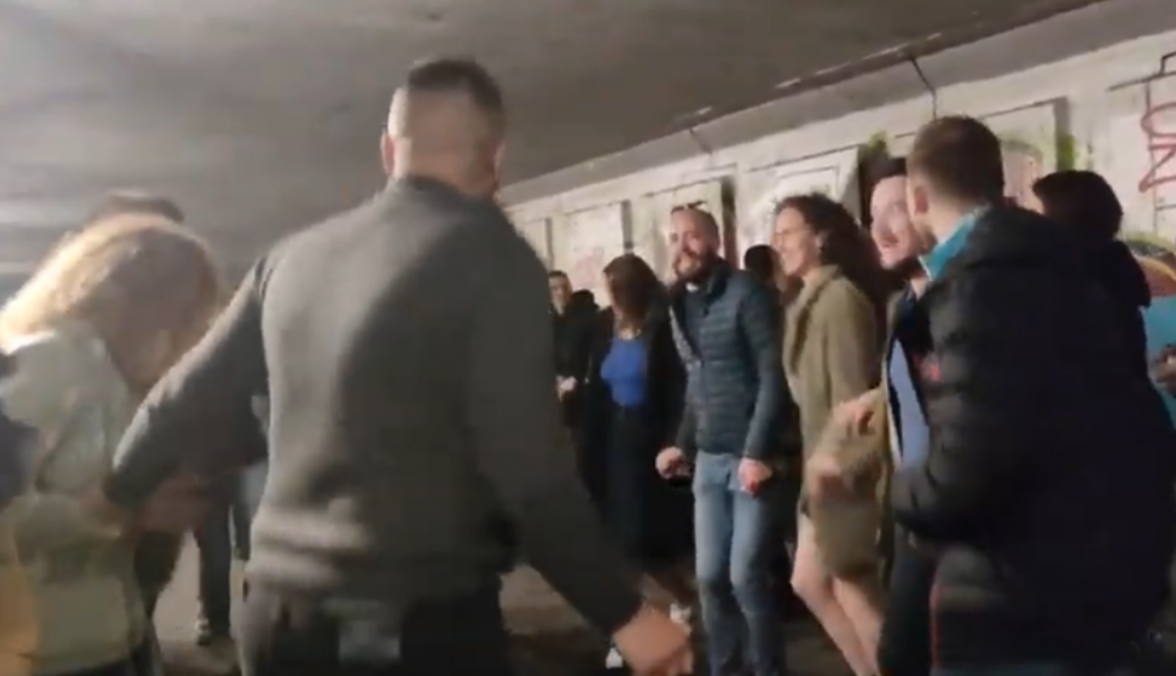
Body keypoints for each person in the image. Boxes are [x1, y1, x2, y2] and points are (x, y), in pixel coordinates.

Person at [92, 57, 692, 676]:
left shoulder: (291, 259)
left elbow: (180, 398)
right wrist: (623, 613)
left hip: (276, 618)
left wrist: (116, 496)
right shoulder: (494, 260)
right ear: (496, 157)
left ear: (388, 150)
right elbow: (528, 472)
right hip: (413, 623)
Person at [890, 115, 1176, 676]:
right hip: (1093, 568)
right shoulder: (1058, 266)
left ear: (918, 198)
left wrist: (900, 494)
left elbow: (968, 467)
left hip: (1022, 591)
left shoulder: (981, 286)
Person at [0, 214, 222, 676]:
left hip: (105, 645)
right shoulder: (49, 362)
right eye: (189, 319)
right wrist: (118, 509)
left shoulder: (119, 380)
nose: (193, 340)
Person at [656, 204, 794, 676]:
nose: (682, 246)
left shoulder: (747, 293)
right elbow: (697, 383)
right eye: (674, 238)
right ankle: (725, 668)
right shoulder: (679, 303)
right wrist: (682, 443)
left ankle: (768, 669)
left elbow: (772, 375)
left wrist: (757, 451)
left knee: (745, 576)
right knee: (710, 578)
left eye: (692, 235)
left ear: (715, 241)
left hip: (750, 458)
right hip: (709, 460)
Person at [772, 193, 888, 676]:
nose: (780, 244)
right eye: (776, 235)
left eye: (789, 232)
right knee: (815, 582)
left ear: (820, 237)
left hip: (840, 472)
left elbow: (852, 398)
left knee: (849, 587)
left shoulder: (839, 300)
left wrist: (837, 468)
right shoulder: (805, 300)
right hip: (819, 468)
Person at [579, 254, 694, 669]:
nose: (610, 299)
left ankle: (684, 599)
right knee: (618, 547)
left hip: (650, 446)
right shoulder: (604, 328)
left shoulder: (660, 330)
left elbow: (676, 391)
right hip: (615, 444)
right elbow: (597, 388)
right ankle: (627, 630)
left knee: (649, 547)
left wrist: (675, 443)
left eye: (616, 291)